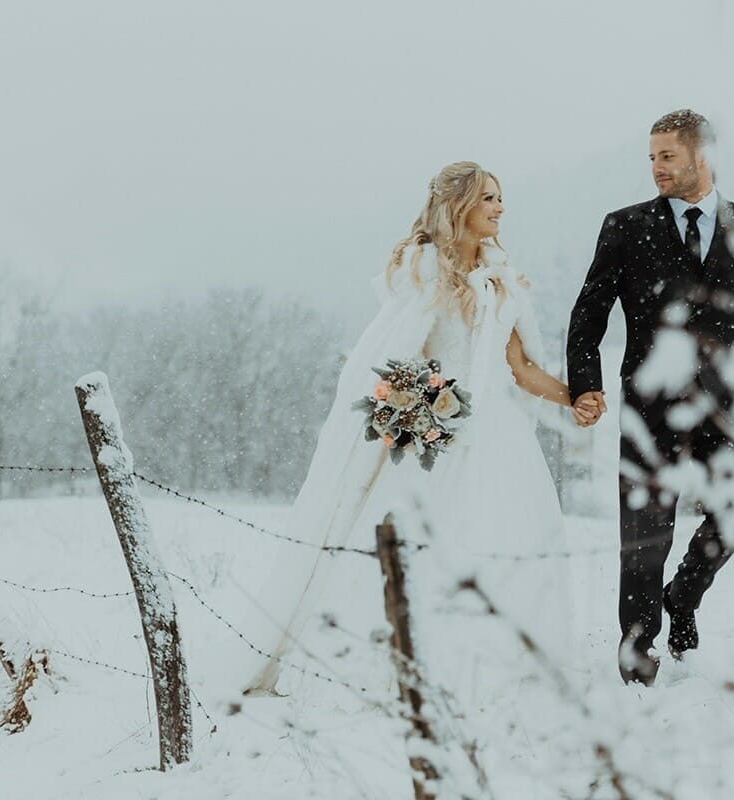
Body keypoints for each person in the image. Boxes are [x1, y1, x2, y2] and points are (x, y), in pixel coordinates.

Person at [239, 162, 585, 698]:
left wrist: (575, 398)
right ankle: (408, 659)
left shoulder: (501, 279)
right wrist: (418, 406)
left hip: (503, 439)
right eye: (488, 198)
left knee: (504, 537)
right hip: (438, 437)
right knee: (426, 546)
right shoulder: (424, 273)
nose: (499, 207)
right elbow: (398, 357)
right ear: (459, 205)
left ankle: (501, 665)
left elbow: (520, 368)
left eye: (500, 198)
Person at [566, 109, 734, 686]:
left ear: (702, 155)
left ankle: (682, 596)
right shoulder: (624, 226)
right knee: (644, 536)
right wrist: (586, 383)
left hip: (729, 408)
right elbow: (589, 312)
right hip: (650, 408)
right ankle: (637, 664)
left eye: (667, 156)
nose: (656, 167)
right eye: (652, 157)